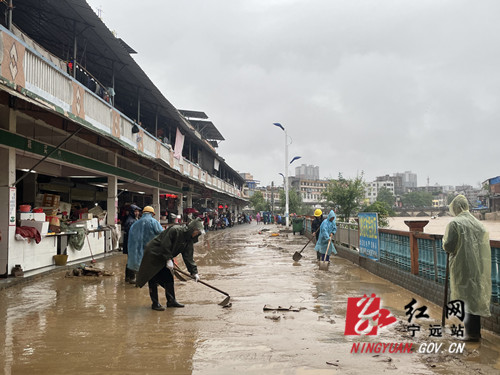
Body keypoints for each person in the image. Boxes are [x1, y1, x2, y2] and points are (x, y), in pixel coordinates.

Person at [443, 195, 491, 341]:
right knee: (475, 297)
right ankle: (475, 332)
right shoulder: (478, 224)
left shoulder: (455, 223)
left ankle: (471, 334)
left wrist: (444, 243)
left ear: (456, 208)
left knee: (464, 297)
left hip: (462, 266)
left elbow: (449, 245)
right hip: (478, 267)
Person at [136, 218, 204, 311]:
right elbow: (165, 244)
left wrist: (194, 272)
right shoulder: (175, 230)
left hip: (165, 255)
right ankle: (155, 303)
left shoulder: (188, 241)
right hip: (154, 253)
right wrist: (168, 259)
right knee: (152, 277)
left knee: (168, 277)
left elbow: (188, 257)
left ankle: (171, 301)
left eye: (198, 232)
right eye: (196, 231)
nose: (196, 234)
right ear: (191, 229)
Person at [126, 206, 163, 284]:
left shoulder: (135, 224)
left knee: (138, 265)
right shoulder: (154, 222)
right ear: (152, 214)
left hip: (136, 250)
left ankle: (137, 280)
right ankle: (153, 282)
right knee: (152, 265)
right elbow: (162, 234)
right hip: (150, 249)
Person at [123, 204, 141, 283]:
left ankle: (128, 277)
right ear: (131, 212)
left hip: (130, 244)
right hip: (131, 244)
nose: (137, 213)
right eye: (135, 211)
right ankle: (132, 278)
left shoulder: (133, 220)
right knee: (133, 260)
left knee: (130, 260)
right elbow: (133, 234)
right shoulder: (131, 221)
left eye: (137, 211)